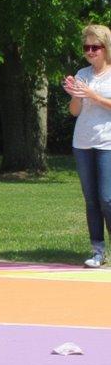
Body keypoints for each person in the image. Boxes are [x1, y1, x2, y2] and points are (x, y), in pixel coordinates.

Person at [63, 24, 111, 268]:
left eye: (95, 47)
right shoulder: (82, 74)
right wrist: (75, 94)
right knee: (91, 199)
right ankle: (97, 250)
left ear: (106, 48)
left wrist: (92, 95)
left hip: (108, 143)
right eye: (86, 47)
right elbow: (74, 112)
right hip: (82, 143)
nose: (90, 52)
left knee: (107, 198)